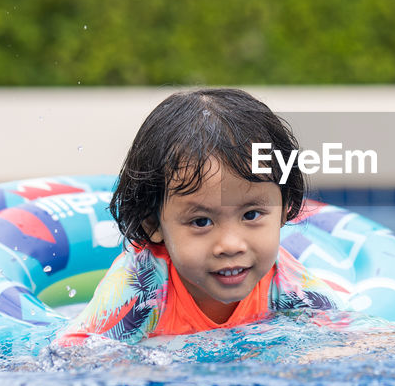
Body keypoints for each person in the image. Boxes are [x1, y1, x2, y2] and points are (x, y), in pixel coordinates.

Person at [57, 87, 321, 344]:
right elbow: (74, 353)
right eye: (201, 221)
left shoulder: (291, 287)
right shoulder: (141, 289)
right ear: (152, 223)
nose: (230, 245)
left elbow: (349, 341)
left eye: (251, 215)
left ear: (286, 208)